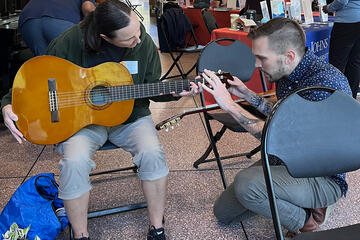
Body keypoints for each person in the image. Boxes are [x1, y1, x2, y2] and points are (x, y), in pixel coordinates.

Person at [1, 1, 198, 239]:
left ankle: (156, 227)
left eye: (138, 32)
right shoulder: (71, 40)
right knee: (74, 163)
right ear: (105, 36)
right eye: (129, 38)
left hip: (130, 117)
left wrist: (174, 92)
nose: (139, 40)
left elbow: (151, 86)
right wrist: (7, 104)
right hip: (79, 122)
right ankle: (81, 234)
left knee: (152, 153)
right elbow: (35, 75)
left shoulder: (142, 42)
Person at [196, 18, 351, 237]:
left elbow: (282, 139)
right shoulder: (288, 72)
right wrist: (245, 93)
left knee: (246, 186)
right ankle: (288, 199)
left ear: (288, 56)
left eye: (262, 58)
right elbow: (282, 116)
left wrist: (230, 106)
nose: (257, 65)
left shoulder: (324, 85)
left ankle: (306, 223)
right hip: (289, 162)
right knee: (223, 212)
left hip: (321, 177)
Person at [19, 0, 96, 56]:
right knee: (77, 63)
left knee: (45, 66)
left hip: (28, 20)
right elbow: (88, 8)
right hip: (59, 20)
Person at [322, 0, 360, 98]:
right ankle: (351, 99)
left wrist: (328, 8)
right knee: (354, 63)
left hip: (346, 23)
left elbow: (342, 1)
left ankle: (335, 99)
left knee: (337, 64)